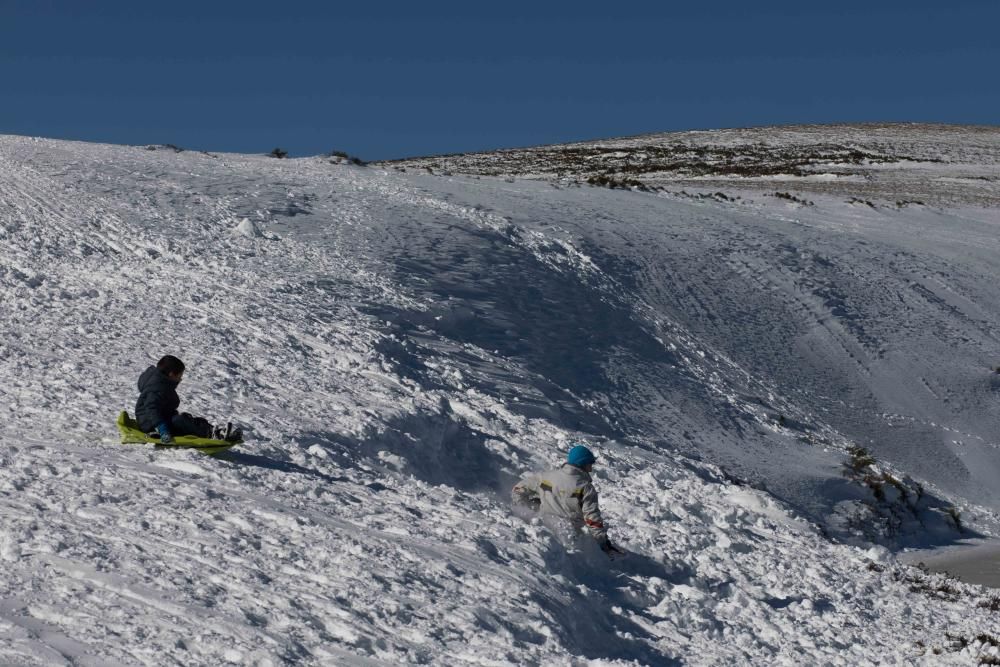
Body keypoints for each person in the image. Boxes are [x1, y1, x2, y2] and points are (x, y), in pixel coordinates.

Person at [511, 444, 624, 556]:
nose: (591, 468)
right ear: (582, 464)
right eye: (590, 463)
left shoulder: (545, 477)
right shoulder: (585, 488)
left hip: (543, 532)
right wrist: (603, 543)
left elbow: (517, 489)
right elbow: (592, 518)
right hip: (571, 537)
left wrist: (526, 508)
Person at [135, 355, 239, 443]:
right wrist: (161, 428)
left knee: (185, 419)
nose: (180, 379)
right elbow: (151, 409)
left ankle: (215, 431)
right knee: (180, 420)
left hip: (158, 419)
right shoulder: (157, 388)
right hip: (151, 424)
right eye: (179, 376)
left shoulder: (160, 383)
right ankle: (212, 435)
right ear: (171, 375)